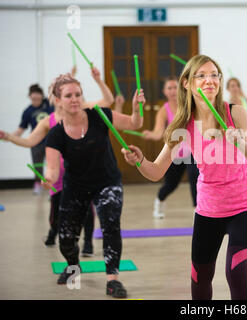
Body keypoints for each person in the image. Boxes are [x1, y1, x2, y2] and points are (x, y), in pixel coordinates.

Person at [121, 55, 247, 300]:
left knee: (236, 273)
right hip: (208, 211)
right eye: (202, 75)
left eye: (214, 75)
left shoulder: (236, 113)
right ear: (187, 83)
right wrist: (139, 161)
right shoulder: (184, 125)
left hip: (244, 208)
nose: (210, 80)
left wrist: (240, 142)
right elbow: (156, 171)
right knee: (200, 278)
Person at [42, 73, 144, 298]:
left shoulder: (100, 115)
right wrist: (48, 179)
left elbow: (135, 123)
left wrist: (136, 108)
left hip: (107, 181)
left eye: (78, 94)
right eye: (68, 95)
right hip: (76, 186)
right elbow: (52, 169)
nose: (75, 99)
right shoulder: (56, 134)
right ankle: (73, 265)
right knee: (67, 237)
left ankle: (112, 280)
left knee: (110, 223)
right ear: (58, 100)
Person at [1, 67, 115, 254]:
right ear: (56, 98)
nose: (71, 98)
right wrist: (9, 136)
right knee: (59, 215)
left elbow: (108, 101)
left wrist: (98, 80)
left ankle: (87, 243)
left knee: (87, 210)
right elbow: (30, 141)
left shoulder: (85, 110)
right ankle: (59, 239)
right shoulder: (48, 121)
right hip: (58, 177)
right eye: (65, 93)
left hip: (82, 173)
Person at [141, 76, 199, 218]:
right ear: (165, 92)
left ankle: (198, 208)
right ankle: (159, 200)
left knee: (194, 177)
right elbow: (158, 133)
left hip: (191, 150)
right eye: (169, 88)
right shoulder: (163, 110)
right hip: (174, 153)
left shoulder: (188, 105)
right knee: (171, 184)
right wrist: (150, 135)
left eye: (175, 87)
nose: (173, 91)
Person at [11, 84, 54, 194]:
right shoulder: (28, 111)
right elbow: (21, 129)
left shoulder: (49, 105)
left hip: (51, 141)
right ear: (30, 97)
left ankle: (53, 187)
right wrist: (10, 137)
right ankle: (38, 184)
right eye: (33, 96)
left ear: (41, 95)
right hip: (36, 142)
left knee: (53, 165)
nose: (35, 98)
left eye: (37, 95)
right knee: (37, 165)